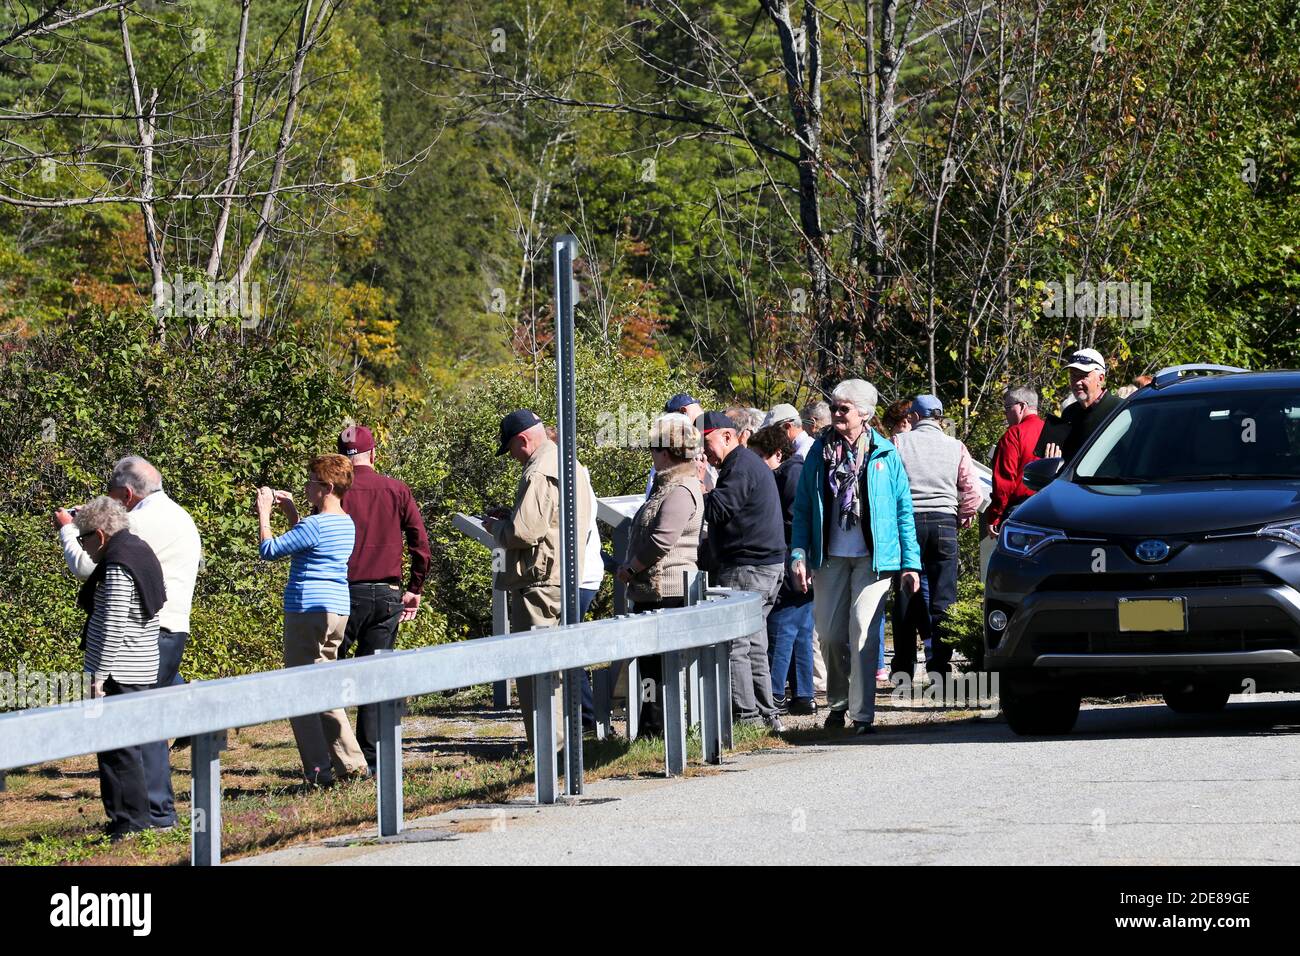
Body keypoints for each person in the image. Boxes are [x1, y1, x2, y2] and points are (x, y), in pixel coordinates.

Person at [55, 455, 200, 830]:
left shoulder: (137, 525)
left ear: (126, 493)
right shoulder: (178, 514)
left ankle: (150, 814)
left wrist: (70, 531)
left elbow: (91, 569)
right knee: (148, 722)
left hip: (145, 634)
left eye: (112, 496)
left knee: (137, 729)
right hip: (171, 624)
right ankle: (153, 810)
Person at [790, 380, 922, 734]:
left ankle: (862, 715)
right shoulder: (819, 453)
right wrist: (798, 555)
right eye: (834, 407)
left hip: (873, 560)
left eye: (843, 408)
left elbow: (903, 512)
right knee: (831, 637)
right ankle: (837, 704)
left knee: (863, 632)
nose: (835, 413)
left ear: (864, 413)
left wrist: (911, 563)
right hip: (829, 558)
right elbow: (802, 509)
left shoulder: (885, 454)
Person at [482, 410, 594, 753]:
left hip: (539, 582)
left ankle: (549, 748)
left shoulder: (538, 471)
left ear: (523, 440)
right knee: (556, 667)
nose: (513, 458)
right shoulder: (567, 461)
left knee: (535, 671)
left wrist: (495, 527)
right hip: (563, 576)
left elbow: (525, 531)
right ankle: (563, 744)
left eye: (511, 450)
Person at [257, 454, 368, 786]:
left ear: (328, 487)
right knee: (324, 686)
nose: (306, 487)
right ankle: (351, 764)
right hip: (336, 611)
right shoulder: (343, 522)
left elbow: (270, 550)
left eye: (311, 482)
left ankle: (319, 771)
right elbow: (307, 542)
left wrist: (264, 512)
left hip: (307, 610)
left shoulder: (316, 525)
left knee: (301, 691)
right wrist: (291, 511)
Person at [335, 425, 431, 773]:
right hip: (387, 594)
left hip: (343, 594)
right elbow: (420, 543)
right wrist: (414, 588)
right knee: (374, 675)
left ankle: (339, 756)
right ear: (373, 454)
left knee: (328, 674)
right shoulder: (396, 489)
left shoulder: (335, 493)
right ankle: (374, 760)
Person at [72, 496, 165, 839]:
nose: (85, 547)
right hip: (139, 665)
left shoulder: (117, 564)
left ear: (100, 534)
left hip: (119, 670)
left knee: (117, 753)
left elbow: (113, 623)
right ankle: (134, 820)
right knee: (128, 749)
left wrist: (98, 676)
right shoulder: (138, 549)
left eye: (84, 539)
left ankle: (128, 824)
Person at [616, 414, 704, 735]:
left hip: (666, 591)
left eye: (654, 448)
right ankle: (651, 727)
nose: (651, 454)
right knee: (650, 669)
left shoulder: (681, 489)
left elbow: (662, 539)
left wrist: (631, 568)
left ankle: (658, 731)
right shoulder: (667, 485)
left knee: (656, 669)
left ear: (666, 452)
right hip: (652, 591)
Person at [700, 411, 787, 731]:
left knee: (736, 644)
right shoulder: (748, 463)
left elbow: (719, 510)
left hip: (748, 567)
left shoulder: (739, 465)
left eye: (706, 442)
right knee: (754, 643)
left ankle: (746, 718)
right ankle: (768, 716)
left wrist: (696, 486)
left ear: (726, 436)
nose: (704, 452)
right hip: (765, 566)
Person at [890, 395, 981, 682]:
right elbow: (974, 492)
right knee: (944, 600)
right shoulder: (956, 447)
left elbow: (888, 485)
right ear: (938, 418)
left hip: (909, 522)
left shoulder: (899, 443)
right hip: (944, 523)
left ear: (914, 416)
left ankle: (903, 667)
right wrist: (962, 515)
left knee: (905, 595)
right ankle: (940, 665)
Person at [748, 424, 816, 715]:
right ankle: (803, 694)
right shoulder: (798, 471)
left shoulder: (789, 474)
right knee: (800, 629)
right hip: (803, 557)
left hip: (790, 556)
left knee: (781, 627)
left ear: (777, 453)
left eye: (759, 456)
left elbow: (789, 520)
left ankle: (774, 693)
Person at [1044, 348, 1123, 463]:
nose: (1077, 382)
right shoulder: (1069, 413)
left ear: (1100, 379)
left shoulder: (1119, 410)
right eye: (1073, 375)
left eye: (1083, 376)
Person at [987, 388, 1045, 536]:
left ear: (1022, 406)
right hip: (1049, 510)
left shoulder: (1013, 435)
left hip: (1020, 511)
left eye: (1007, 408)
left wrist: (995, 515)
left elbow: (1004, 481)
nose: (1005, 414)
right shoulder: (1053, 431)